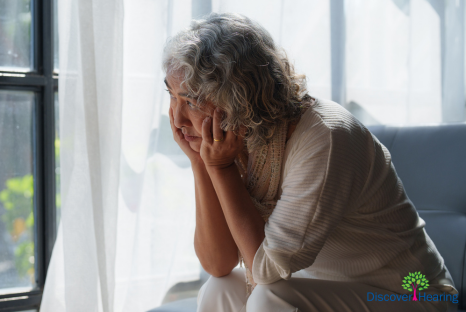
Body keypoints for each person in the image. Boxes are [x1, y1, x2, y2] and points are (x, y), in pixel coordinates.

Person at [162, 13, 458, 312]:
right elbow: (218, 264)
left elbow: (265, 269)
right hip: (328, 291)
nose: (176, 118)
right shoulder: (237, 141)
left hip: (412, 297)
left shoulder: (325, 137)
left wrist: (220, 169)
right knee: (222, 287)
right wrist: (201, 162)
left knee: (269, 296)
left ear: (236, 95)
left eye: (190, 101)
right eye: (171, 96)